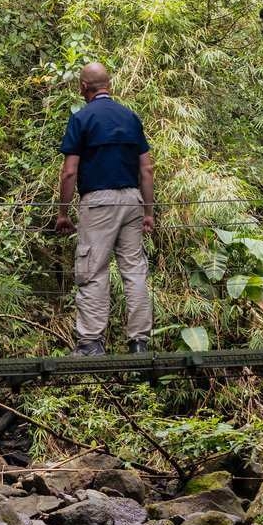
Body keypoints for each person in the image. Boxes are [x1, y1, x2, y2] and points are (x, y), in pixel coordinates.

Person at [56, 62, 155, 356]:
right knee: (134, 271)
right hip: (132, 200)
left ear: (83, 87)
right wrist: (148, 211)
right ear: (108, 85)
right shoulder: (130, 117)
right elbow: (146, 168)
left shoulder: (82, 118)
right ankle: (139, 342)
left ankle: (90, 342)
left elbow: (69, 172)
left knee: (93, 269)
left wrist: (63, 212)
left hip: (99, 203)